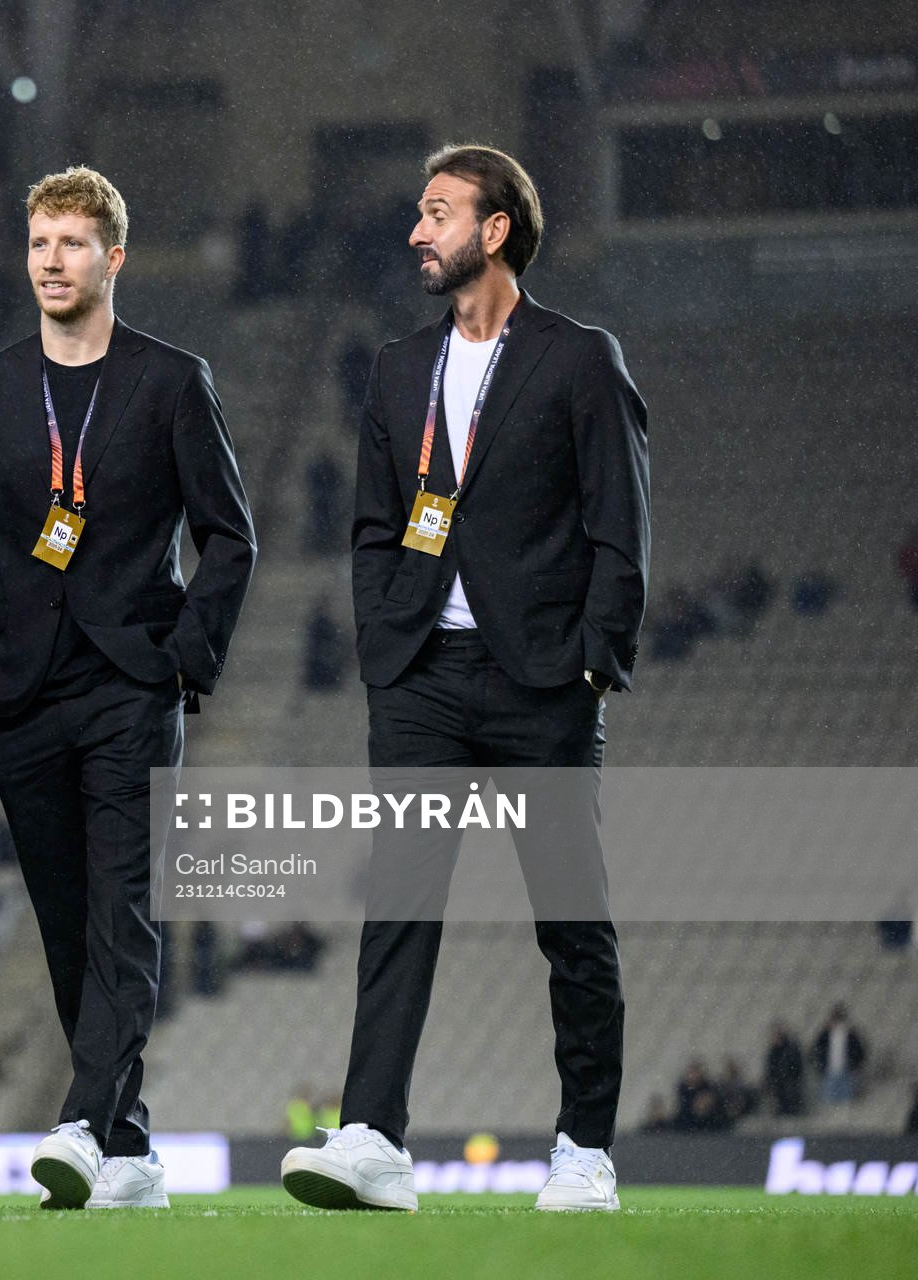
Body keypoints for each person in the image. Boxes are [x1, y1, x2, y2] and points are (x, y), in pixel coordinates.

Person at [282, 145, 648, 1215]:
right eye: (416, 212)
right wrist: (383, 638)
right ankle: (373, 1137)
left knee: (571, 920)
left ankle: (584, 1147)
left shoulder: (580, 358)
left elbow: (621, 525)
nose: (415, 232)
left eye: (436, 212)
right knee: (398, 907)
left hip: (542, 679)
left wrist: (595, 656)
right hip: (421, 675)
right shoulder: (398, 367)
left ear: (495, 229)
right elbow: (370, 524)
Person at [0, 166, 257, 1211]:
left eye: (73, 243)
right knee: (68, 919)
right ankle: (128, 1147)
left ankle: (80, 1116)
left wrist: (182, 655)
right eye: (39, 242)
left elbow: (229, 536)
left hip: (131, 684)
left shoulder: (171, 380)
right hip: (23, 694)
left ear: (113, 257)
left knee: (123, 910)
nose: (52, 260)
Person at [813, 1004, 867, 1103]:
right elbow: (816, 1050)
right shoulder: (825, 1034)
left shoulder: (850, 1034)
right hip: (829, 1071)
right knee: (828, 1101)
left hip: (846, 1072)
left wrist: (855, 1066)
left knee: (846, 1101)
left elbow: (859, 1052)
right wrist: (820, 1065)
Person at [764, 1022, 806, 1117]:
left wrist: (792, 1077)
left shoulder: (791, 1048)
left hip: (790, 1083)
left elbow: (796, 1065)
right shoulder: (772, 1051)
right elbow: (770, 1069)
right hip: (778, 1084)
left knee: (791, 1107)